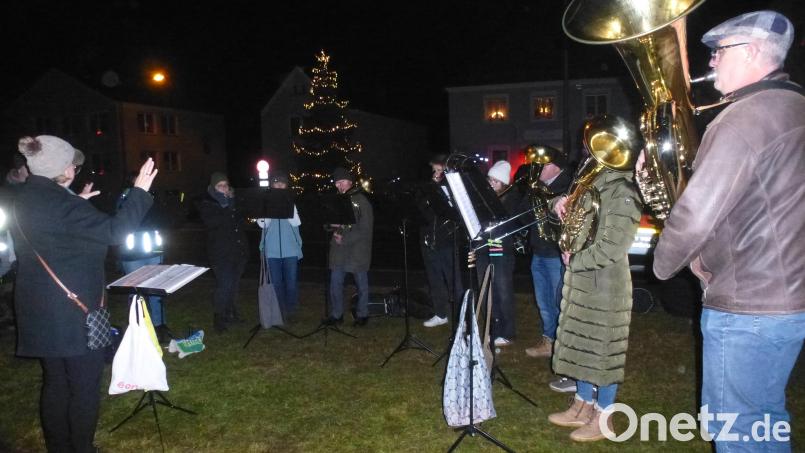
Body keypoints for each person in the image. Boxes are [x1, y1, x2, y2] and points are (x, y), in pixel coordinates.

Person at [650, 11, 804, 451]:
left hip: (748, 306)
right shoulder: (796, 107)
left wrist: (660, 264)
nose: (712, 61)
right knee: (768, 417)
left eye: (720, 52)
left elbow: (697, 214)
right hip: (787, 301)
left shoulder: (743, 118)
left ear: (753, 52)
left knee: (735, 429)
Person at [12, 135, 156, 453]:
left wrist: (77, 202)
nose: (76, 169)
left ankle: (59, 447)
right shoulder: (63, 205)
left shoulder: (23, 198)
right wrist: (139, 193)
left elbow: (56, 234)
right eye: (73, 165)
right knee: (83, 386)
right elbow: (116, 232)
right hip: (73, 313)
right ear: (65, 170)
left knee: (55, 382)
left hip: (37, 310)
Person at [547, 147, 641, 442]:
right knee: (581, 347)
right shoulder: (590, 184)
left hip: (606, 287)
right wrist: (558, 204)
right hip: (583, 283)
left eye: (593, 152)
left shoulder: (623, 190)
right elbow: (576, 221)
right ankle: (582, 405)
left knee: (603, 353)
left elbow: (613, 247)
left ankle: (604, 417)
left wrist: (575, 260)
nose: (587, 155)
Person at [523, 155, 572, 361]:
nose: (538, 167)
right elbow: (525, 214)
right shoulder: (537, 186)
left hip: (556, 254)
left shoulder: (568, 186)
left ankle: (561, 344)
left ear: (556, 167)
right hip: (539, 252)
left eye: (543, 164)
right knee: (543, 302)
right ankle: (548, 340)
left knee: (557, 300)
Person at [116, 172, 169, 341]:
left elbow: (163, 218)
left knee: (156, 289)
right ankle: (137, 328)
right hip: (132, 254)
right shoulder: (125, 196)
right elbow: (121, 219)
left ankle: (159, 326)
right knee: (135, 291)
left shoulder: (152, 196)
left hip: (153, 250)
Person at [195, 172, 249, 333]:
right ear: (213, 188)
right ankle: (219, 316)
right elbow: (214, 223)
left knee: (234, 284)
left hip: (238, 251)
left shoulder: (234, 202)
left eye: (226, 185)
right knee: (224, 284)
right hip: (220, 252)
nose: (224, 188)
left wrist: (233, 203)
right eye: (220, 185)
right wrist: (227, 205)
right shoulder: (207, 204)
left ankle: (231, 312)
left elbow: (241, 222)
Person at [475, 160, 520, 347]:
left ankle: (507, 331)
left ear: (504, 184)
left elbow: (511, 224)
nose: (491, 184)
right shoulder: (483, 198)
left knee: (502, 290)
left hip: (501, 249)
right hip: (484, 247)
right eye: (490, 179)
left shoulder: (510, 199)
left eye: (496, 181)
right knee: (484, 288)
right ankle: (492, 327)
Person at [325, 166, 373, 327]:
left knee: (361, 283)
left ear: (350, 182)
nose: (340, 186)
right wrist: (331, 225)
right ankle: (336, 315)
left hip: (357, 250)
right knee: (335, 282)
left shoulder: (361, 201)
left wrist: (344, 238)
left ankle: (362, 315)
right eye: (337, 183)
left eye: (343, 182)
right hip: (339, 250)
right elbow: (328, 223)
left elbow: (365, 229)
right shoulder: (336, 200)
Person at [418, 154, 462, 328]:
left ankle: (461, 319)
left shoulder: (453, 187)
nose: (435, 174)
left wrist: (439, 190)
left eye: (439, 170)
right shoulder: (427, 188)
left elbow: (454, 212)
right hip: (429, 240)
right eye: (434, 170)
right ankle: (440, 313)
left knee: (454, 282)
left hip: (447, 240)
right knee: (434, 279)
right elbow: (422, 211)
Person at [256, 170, 303, 320]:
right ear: (272, 185)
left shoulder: (291, 202)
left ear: (285, 186)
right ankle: (279, 311)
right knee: (276, 283)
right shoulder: (266, 202)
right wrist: (269, 208)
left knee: (291, 282)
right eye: (276, 183)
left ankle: (292, 309)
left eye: (281, 183)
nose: (279, 185)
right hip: (272, 250)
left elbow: (296, 222)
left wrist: (287, 206)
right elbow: (262, 224)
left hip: (290, 249)